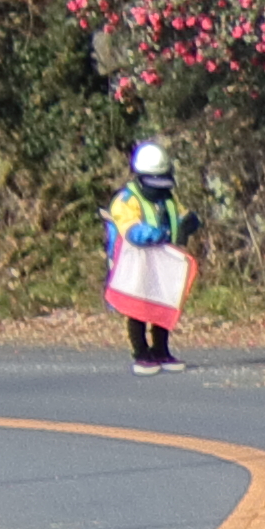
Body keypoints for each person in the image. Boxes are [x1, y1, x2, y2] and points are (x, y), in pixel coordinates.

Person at [107, 142, 191, 371]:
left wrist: (188, 223)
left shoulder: (167, 197)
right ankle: (141, 352)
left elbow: (179, 215)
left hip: (163, 262)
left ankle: (161, 350)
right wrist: (156, 234)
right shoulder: (127, 199)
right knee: (138, 307)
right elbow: (130, 229)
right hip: (134, 263)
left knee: (162, 304)